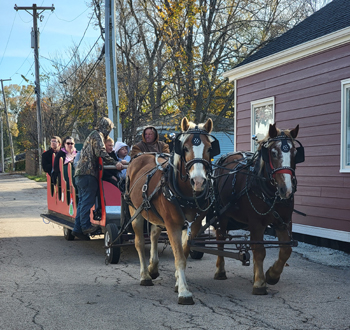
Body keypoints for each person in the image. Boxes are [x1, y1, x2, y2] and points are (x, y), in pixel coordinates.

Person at [72, 117, 122, 239]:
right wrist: (115, 163)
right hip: (88, 173)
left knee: (83, 201)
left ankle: (78, 229)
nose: (109, 132)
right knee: (87, 202)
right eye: (109, 129)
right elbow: (101, 152)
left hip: (81, 174)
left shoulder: (92, 135)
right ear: (107, 128)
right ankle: (85, 226)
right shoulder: (97, 136)